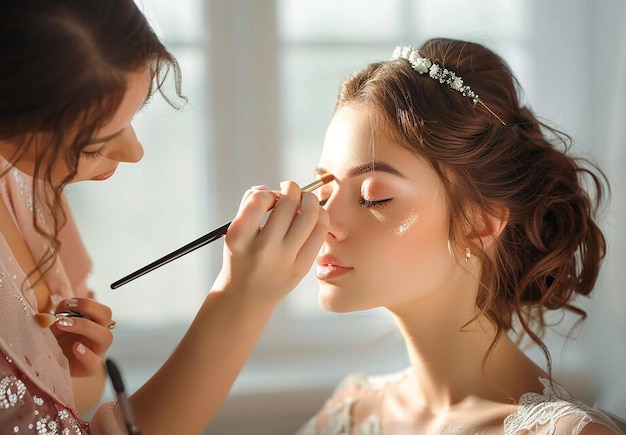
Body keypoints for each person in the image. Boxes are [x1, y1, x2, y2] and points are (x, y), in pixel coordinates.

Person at [0, 0, 328, 434]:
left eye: (131, 116)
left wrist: (74, 365)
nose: (135, 152)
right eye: (96, 144)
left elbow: (63, 400)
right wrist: (244, 299)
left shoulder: (22, 174)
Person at [297, 39, 626, 434]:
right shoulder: (349, 412)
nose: (323, 219)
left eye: (373, 197)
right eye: (324, 190)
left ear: (480, 223)